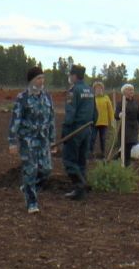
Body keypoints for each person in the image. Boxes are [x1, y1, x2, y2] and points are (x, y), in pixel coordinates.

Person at [7, 67, 56, 213]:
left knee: (46, 170)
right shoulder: (22, 98)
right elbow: (15, 120)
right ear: (31, 81)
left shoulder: (47, 97)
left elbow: (51, 119)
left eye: (43, 78)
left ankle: (29, 186)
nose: (41, 81)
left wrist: (52, 140)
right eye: (38, 79)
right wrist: (12, 141)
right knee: (31, 170)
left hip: (43, 140)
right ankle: (32, 203)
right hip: (27, 140)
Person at [60, 64, 96, 200]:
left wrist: (65, 131)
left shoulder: (73, 91)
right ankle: (82, 188)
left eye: (70, 75)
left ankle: (80, 186)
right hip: (87, 129)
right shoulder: (90, 90)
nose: (70, 77)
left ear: (74, 76)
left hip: (75, 130)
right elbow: (95, 112)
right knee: (81, 161)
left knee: (69, 160)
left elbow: (70, 113)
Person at [118, 84, 139, 165]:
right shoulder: (121, 103)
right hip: (125, 129)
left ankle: (121, 158)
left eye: (132, 90)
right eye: (129, 90)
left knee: (131, 145)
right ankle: (125, 164)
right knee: (126, 147)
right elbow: (115, 115)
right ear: (124, 92)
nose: (131, 91)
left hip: (133, 129)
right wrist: (119, 114)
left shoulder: (135, 103)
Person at [92, 80, 116, 160]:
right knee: (92, 138)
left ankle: (103, 154)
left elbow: (110, 110)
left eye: (100, 88)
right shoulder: (92, 99)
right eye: (97, 88)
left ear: (103, 89)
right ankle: (90, 153)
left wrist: (112, 120)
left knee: (103, 138)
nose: (98, 90)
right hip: (94, 123)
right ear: (94, 90)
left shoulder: (106, 98)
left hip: (104, 123)